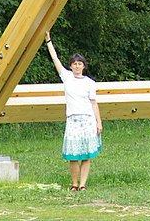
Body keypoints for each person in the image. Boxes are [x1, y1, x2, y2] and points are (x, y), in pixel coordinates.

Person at [44, 31, 102, 191]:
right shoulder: (67, 77)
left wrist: (99, 122)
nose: (77, 66)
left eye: (80, 63)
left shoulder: (90, 83)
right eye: (74, 64)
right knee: (73, 155)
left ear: (84, 66)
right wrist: (48, 41)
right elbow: (55, 59)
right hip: (73, 120)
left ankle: (83, 184)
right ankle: (74, 184)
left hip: (87, 119)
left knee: (87, 155)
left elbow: (94, 103)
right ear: (71, 66)